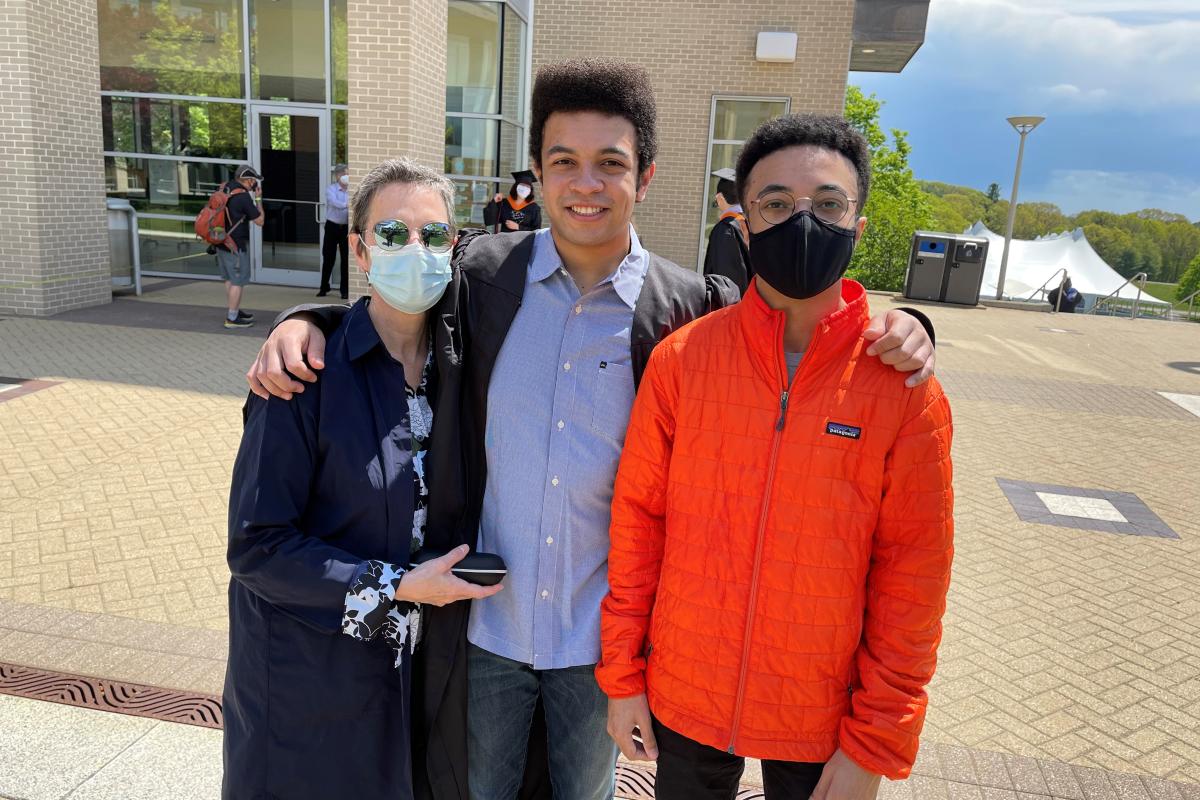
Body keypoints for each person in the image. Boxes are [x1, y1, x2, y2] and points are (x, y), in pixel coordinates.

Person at [244, 60, 938, 800]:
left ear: (645, 178)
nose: (586, 183)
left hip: (600, 646)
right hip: (483, 629)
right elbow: (394, 308)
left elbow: (788, 332)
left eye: (611, 163)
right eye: (563, 162)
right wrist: (302, 322)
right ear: (538, 175)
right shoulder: (481, 277)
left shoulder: (690, 308)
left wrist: (908, 327)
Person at [600, 114, 955, 800]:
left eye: (827, 204)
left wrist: (876, 743)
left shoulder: (905, 388)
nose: (803, 221)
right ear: (744, 221)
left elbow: (914, 579)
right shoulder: (684, 361)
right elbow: (638, 525)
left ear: (858, 222)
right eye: (776, 204)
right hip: (687, 689)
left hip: (825, 710)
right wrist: (623, 679)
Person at [222, 158, 502, 799]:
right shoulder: (301, 375)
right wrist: (398, 586)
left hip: (416, 675)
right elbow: (257, 546)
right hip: (307, 675)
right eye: (393, 234)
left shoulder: (461, 367)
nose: (415, 250)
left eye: (432, 236)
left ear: (453, 246)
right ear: (360, 248)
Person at [218, 165, 264, 329]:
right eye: (253, 180)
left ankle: (235, 310)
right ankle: (231, 318)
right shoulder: (243, 197)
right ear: (247, 180)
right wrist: (258, 199)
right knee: (238, 281)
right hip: (236, 245)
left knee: (230, 279)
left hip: (221, 242)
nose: (254, 184)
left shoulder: (225, 188)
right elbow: (260, 221)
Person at [702, 167, 752, 293]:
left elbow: (727, 281)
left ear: (720, 198)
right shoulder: (750, 222)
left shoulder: (726, 229)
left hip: (733, 305)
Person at [318, 163, 351, 299]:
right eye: (344, 174)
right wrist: (347, 205)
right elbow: (334, 203)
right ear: (338, 176)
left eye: (348, 174)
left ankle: (344, 290)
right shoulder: (331, 189)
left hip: (345, 228)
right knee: (328, 257)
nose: (346, 177)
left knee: (345, 259)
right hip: (332, 226)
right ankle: (324, 287)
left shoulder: (351, 190)